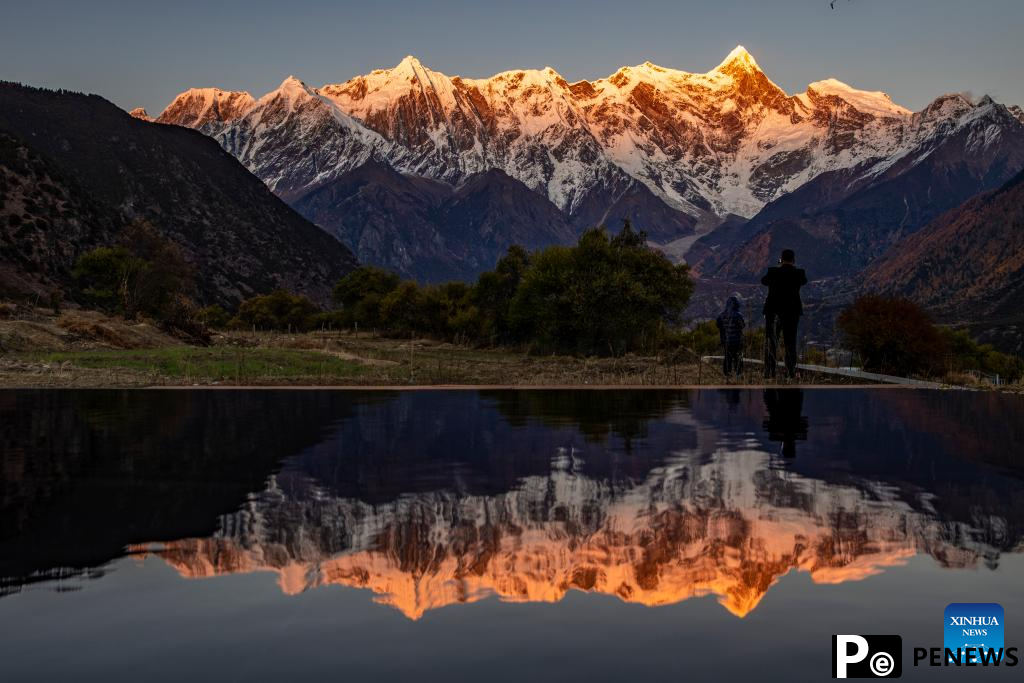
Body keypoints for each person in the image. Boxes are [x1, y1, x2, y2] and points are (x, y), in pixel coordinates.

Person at [761, 249, 807, 379]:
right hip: (792, 312)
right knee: (790, 342)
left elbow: (763, 281)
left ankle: (769, 372)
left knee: (771, 341)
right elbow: (804, 281)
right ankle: (790, 372)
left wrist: (779, 266)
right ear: (793, 259)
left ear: (781, 258)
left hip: (773, 311)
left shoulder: (773, 272)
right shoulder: (799, 273)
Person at [715, 294, 745, 379]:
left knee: (727, 357)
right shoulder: (738, 315)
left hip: (726, 341)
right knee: (738, 357)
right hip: (737, 341)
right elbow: (742, 325)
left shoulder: (721, 315)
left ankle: (727, 374)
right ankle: (739, 374)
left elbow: (718, 325)